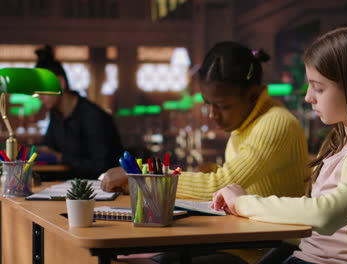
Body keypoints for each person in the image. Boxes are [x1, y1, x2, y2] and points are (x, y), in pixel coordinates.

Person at [212, 24, 347, 264]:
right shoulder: (338, 144)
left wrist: (243, 202)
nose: (308, 97)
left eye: (319, 88)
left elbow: (325, 214)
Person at [101, 41, 310, 263]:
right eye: (208, 104)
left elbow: (219, 184)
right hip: (240, 237)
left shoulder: (276, 123)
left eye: (223, 106)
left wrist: (143, 177)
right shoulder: (246, 124)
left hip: (269, 248)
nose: (212, 114)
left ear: (253, 94)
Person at [35, 45, 123, 180]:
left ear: (60, 83)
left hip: (100, 191)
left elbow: (102, 167)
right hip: (68, 186)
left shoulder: (93, 116)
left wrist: (61, 158)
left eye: (41, 90)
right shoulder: (55, 114)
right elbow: (48, 148)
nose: (39, 96)